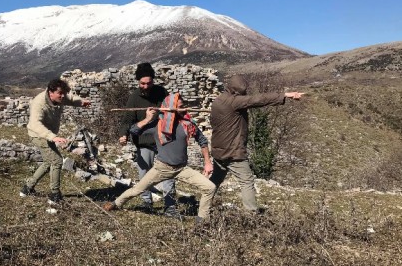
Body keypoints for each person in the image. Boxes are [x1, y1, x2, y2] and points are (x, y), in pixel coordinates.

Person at [105, 93, 217, 222]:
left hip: (182, 169)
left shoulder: (188, 123)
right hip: (161, 168)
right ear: (170, 108)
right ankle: (116, 203)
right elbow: (134, 131)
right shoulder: (157, 124)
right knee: (137, 189)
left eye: (183, 106)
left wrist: (208, 163)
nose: (183, 109)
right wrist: (147, 119)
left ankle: (202, 222)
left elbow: (202, 141)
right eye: (179, 107)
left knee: (210, 188)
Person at [210, 74, 304, 212]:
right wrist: (285, 95)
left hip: (218, 150)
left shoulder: (218, 101)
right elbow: (259, 99)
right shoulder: (234, 101)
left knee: (216, 179)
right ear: (238, 91)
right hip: (232, 152)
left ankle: (203, 206)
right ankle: (251, 214)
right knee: (247, 181)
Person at [118, 62, 179, 216]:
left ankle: (170, 205)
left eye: (149, 83)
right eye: (142, 83)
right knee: (144, 172)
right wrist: (123, 134)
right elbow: (127, 120)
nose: (145, 86)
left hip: (163, 140)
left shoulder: (161, 92)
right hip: (144, 141)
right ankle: (147, 201)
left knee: (168, 171)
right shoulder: (134, 98)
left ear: (153, 80)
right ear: (138, 82)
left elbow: (171, 113)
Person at [20, 78, 91, 202]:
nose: (63, 96)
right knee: (57, 161)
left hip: (49, 135)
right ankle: (55, 195)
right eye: (60, 93)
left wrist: (81, 102)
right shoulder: (39, 103)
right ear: (50, 92)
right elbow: (35, 124)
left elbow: (70, 99)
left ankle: (27, 188)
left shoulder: (60, 97)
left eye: (64, 93)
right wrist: (53, 137)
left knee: (48, 162)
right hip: (38, 135)